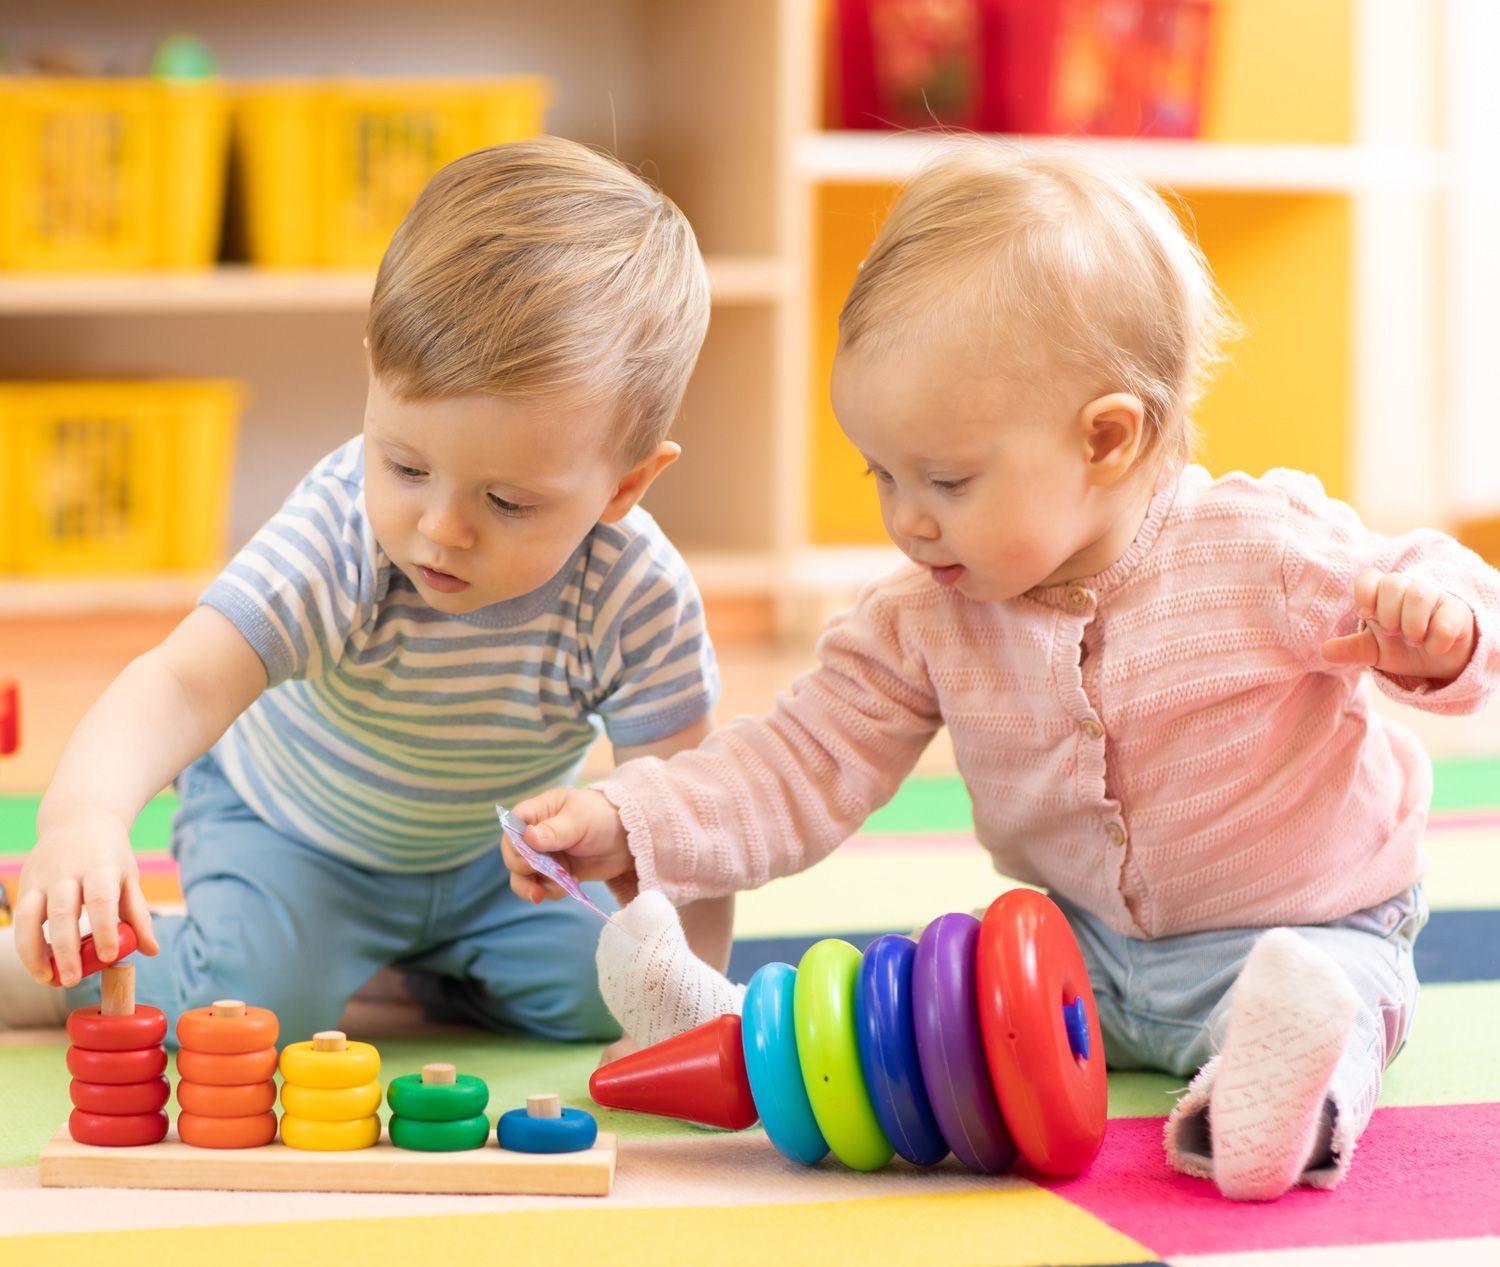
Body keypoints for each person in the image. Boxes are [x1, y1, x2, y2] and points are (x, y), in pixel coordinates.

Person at [502, 142, 1500, 1201]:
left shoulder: (1260, 548)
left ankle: (1258, 1112)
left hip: (1306, 926)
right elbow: (799, 759)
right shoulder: (924, 612)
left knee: (1335, 1001)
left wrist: (1441, 628)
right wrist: (633, 822)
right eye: (881, 472)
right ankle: (732, 1038)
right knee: (926, 1018)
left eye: (946, 477)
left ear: (1107, 440)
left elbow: (1439, 588)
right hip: (1081, 956)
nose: (905, 516)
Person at [3, 136, 733, 1049]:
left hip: (488, 865)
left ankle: (407, 967)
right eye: (405, 464)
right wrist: (83, 817)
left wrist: (693, 1007)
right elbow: (179, 684)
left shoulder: (639, 596)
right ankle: (41, 960)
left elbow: (682, 821)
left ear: (625, 486)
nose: (441, 527)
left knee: (612, 992)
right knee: (244, 1016)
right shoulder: (339, 538)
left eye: (507, 500)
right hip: (291, 834)